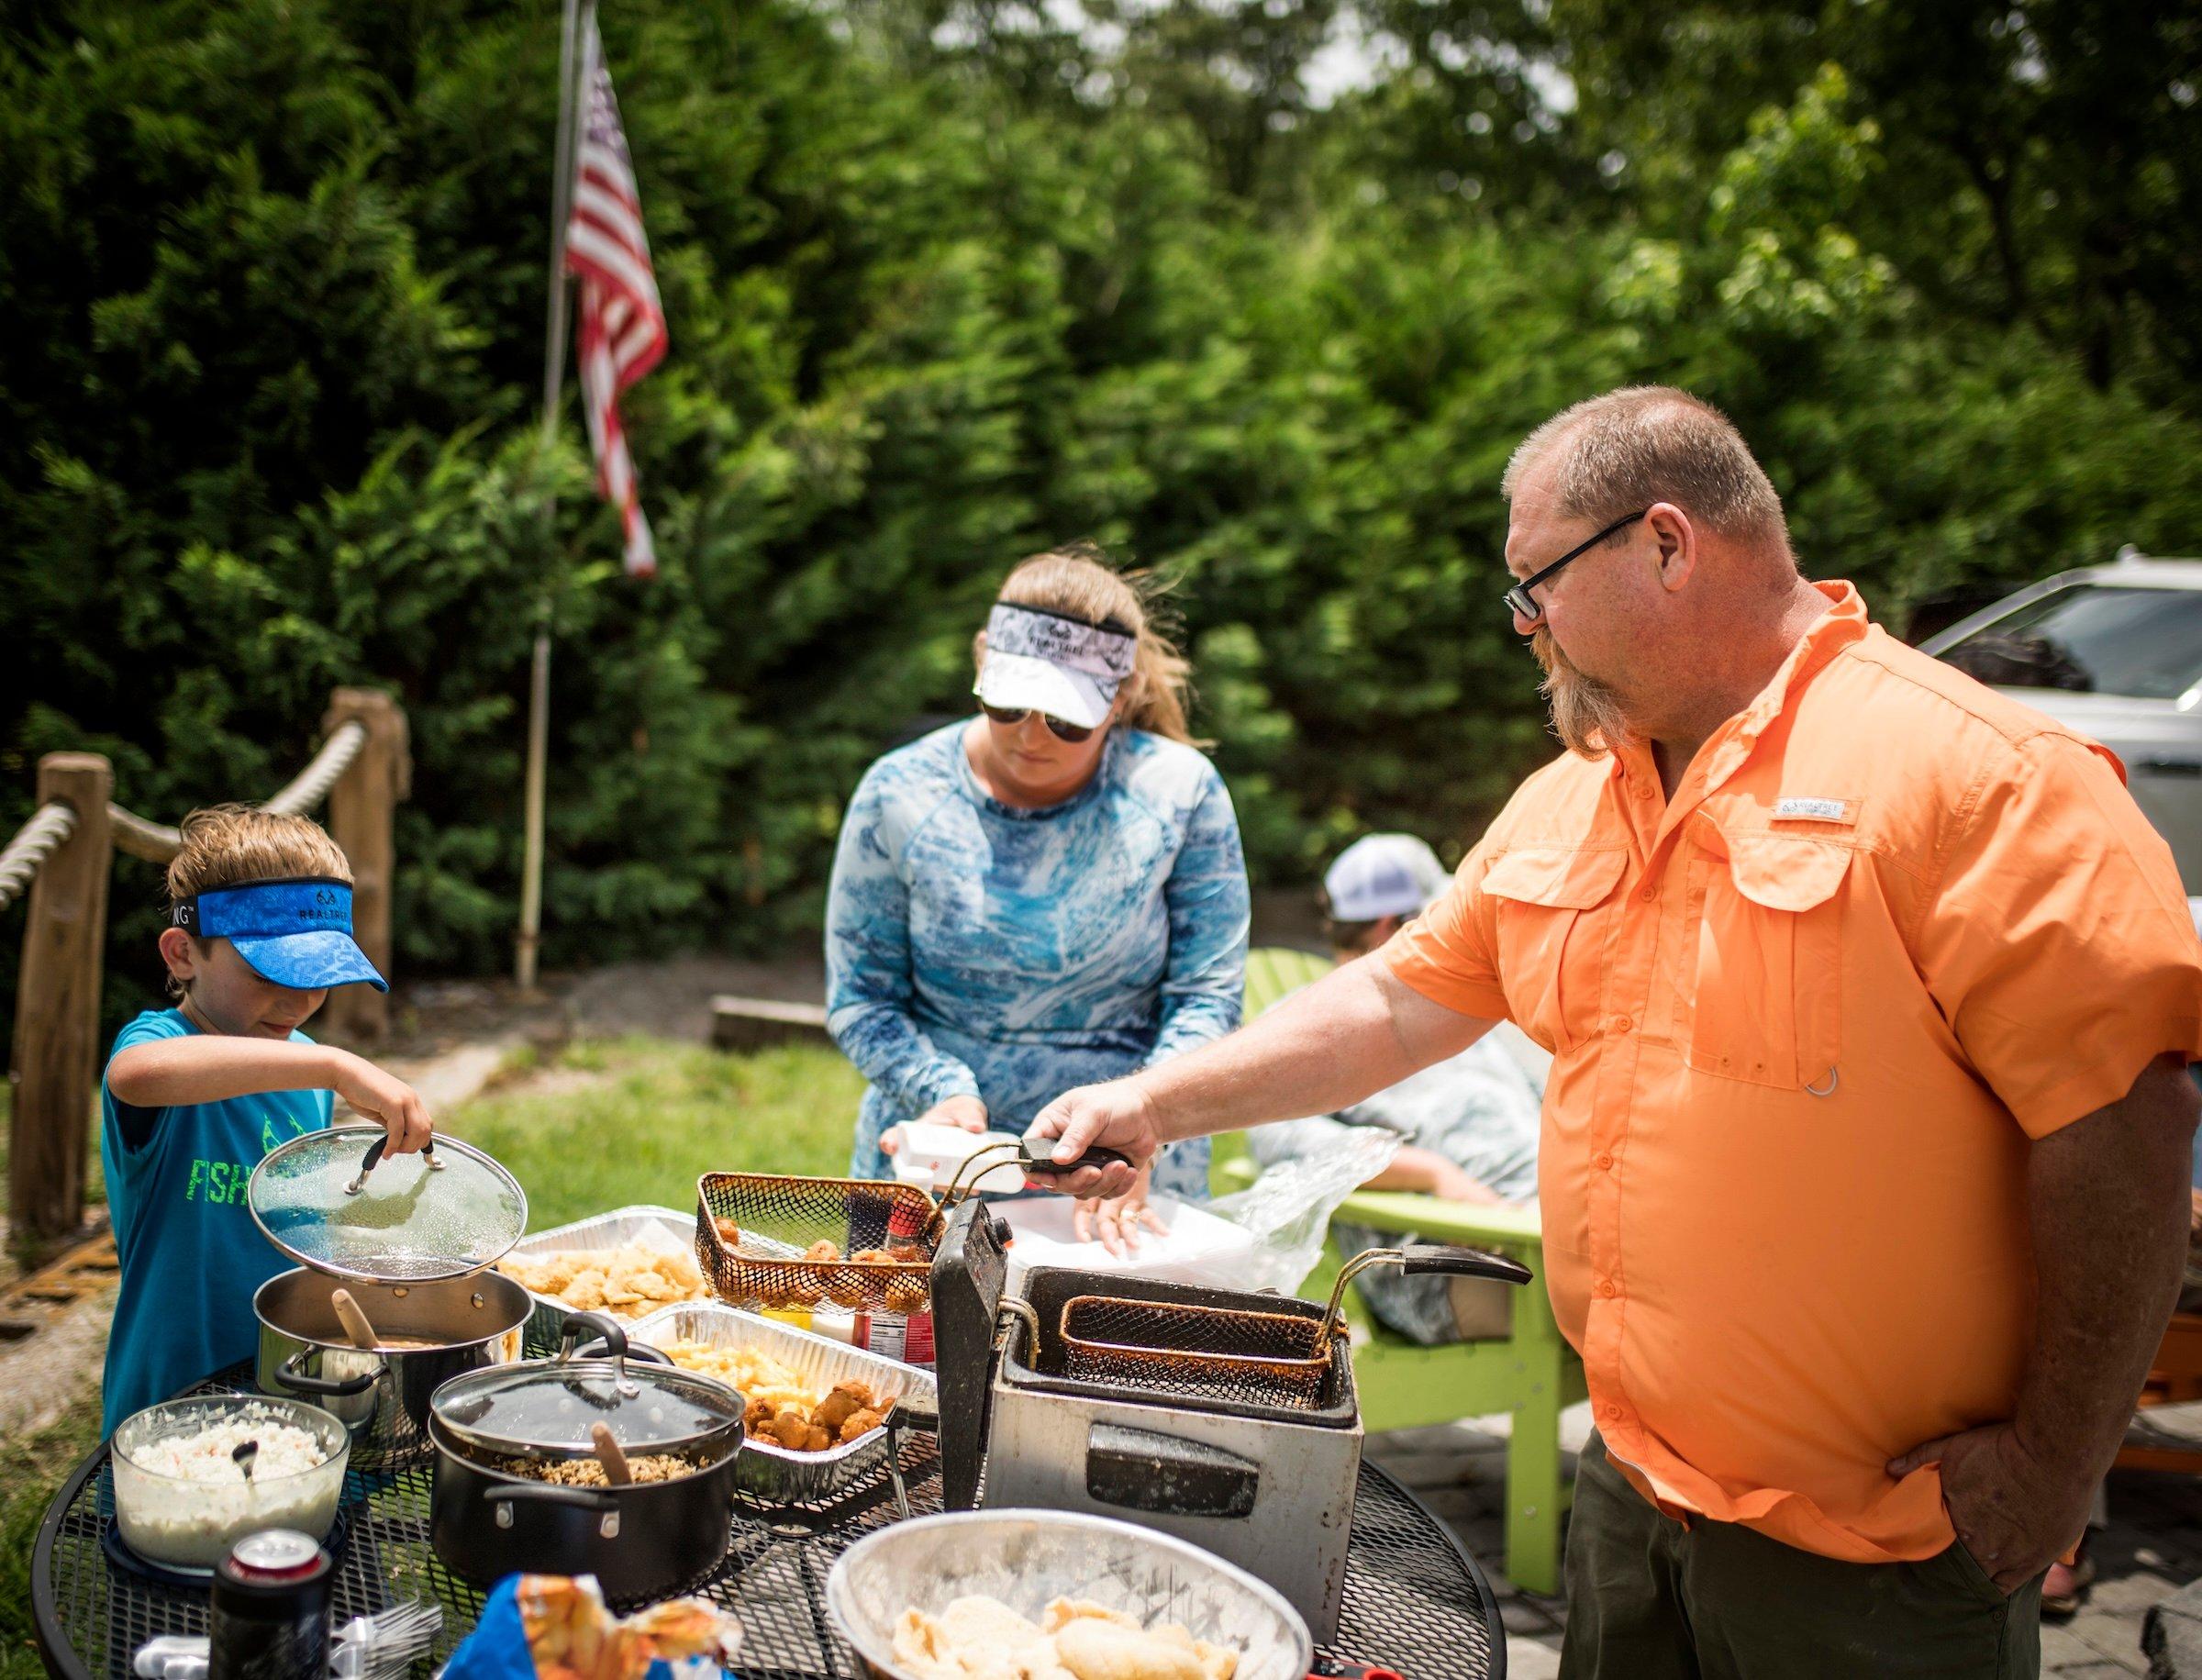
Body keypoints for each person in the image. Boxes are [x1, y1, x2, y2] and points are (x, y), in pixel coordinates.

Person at [1028, 388, 2202, 1677]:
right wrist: (1157, 1101)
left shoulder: (1984, 776)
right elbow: (1395, 999)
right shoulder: (1574, 795)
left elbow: (2125, 1125)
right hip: (1632, 1495)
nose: (1524, 623)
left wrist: (2052, 1462)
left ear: (1665, 542)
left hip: (1884, 1548)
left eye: (1535, 583)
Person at [826, 543, 1250, 1254]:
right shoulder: (898, 793)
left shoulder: (1180, 794)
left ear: (1118, 699)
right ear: (981, 660)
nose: (1030, 734)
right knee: (901, 1359)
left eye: (1066, 719)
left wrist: (1147, 1120)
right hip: (932, 1157)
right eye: (1009, 702)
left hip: (1122, 1175)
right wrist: (939, 1090)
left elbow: (1206, 996)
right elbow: (861, 996)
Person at [100, 807, 436, 1434]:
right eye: (266, 973)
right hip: (171, 1402)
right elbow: (135, 1076)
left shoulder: (304, 1065)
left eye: (318, 977)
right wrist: (336, 1066)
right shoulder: (159, 1044)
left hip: (290, 1384)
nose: (298, 1001)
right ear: (182, 954)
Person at [1247, 833, 1544, 1343]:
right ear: (1398, 925)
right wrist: (1432, 1174)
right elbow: (1275, 1137)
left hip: (1549, 1231)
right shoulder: (1317, 1019)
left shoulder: (1462, 1005)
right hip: (1471, 1260)